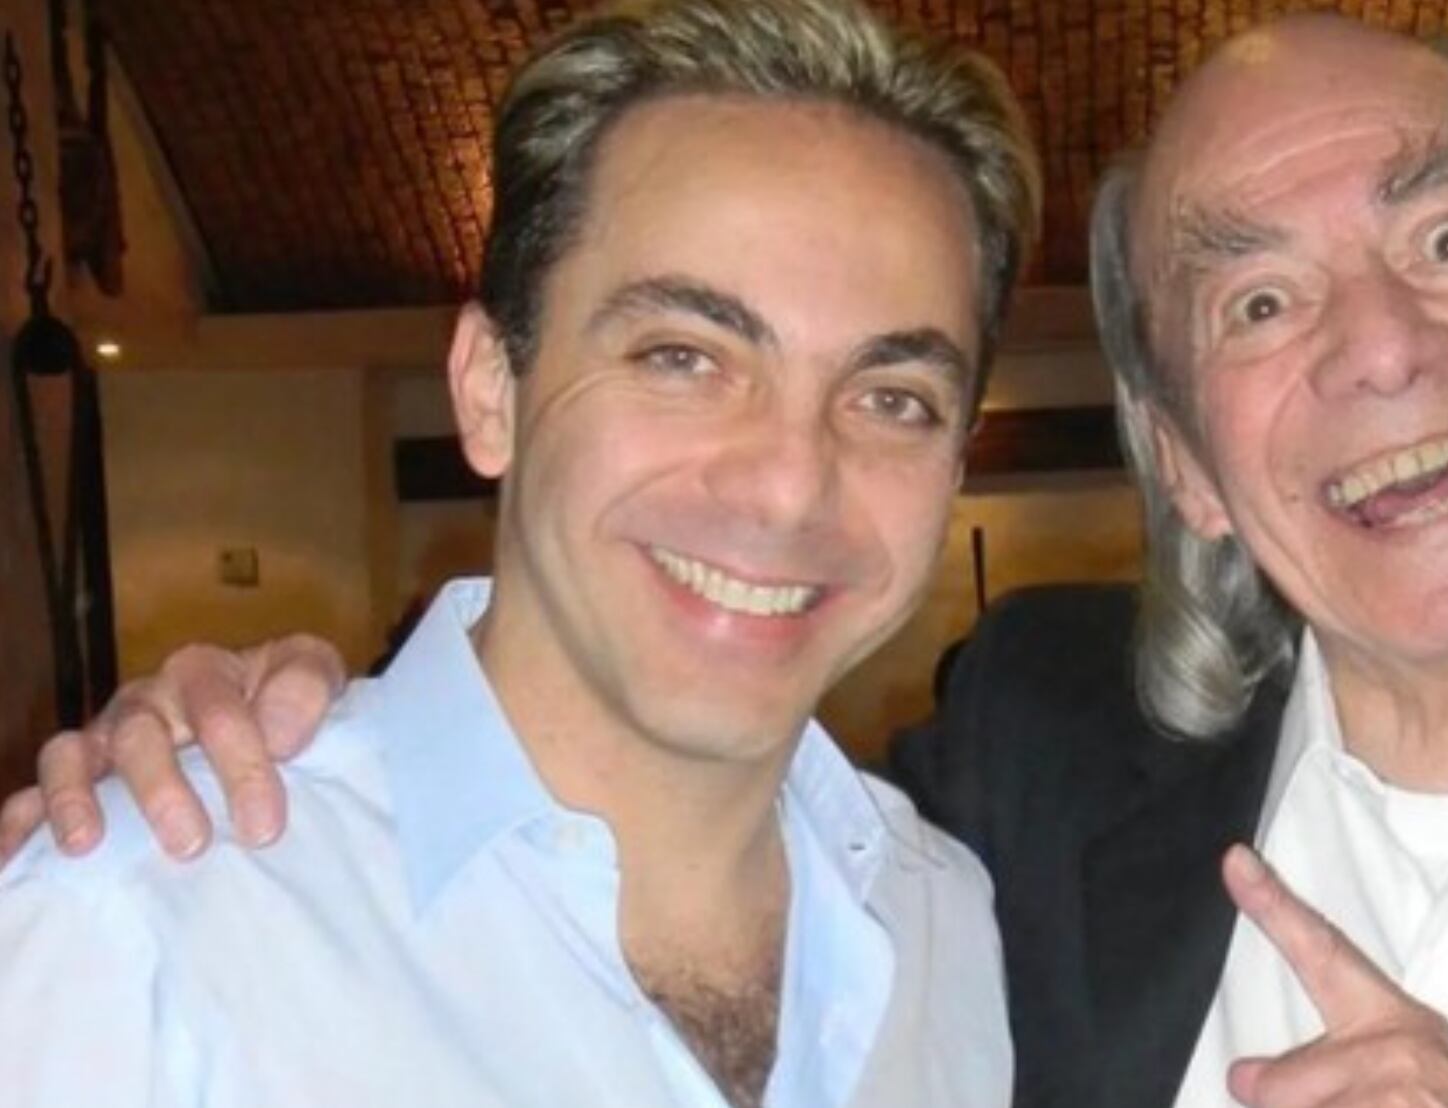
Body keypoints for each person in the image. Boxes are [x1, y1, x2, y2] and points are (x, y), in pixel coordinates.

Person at [10, 12, 1448, 1108]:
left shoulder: (923, 899)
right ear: (1182, 458)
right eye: (1257, 300)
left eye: (1445, 243)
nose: (1377, 348)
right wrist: (237, 719)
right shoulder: (1031, 784)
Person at [0, 1, 1039, 1105]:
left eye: (892, 397)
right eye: (682, 356)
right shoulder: (141, 934)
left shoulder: (941, 919)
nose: (789, 484)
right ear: (490, 389)